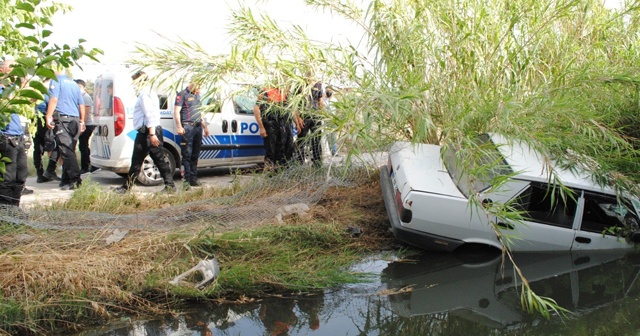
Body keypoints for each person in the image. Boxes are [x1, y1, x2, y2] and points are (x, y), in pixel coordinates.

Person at [114, 71, 176, 193]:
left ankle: (126, 188)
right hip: (150, 131)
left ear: (140, 81)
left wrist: (152, 134)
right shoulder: (149, 93)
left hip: (147, 132)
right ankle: (170, 185)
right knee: (158, 159)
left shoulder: (145, 95)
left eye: (135, 82)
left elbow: (149, 115)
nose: (134, 85)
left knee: (137, 160)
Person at [44, 67, 85, 190]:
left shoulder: (56, 81)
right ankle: (65, 179)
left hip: (63, 120)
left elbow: (54, 99)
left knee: (66, 150)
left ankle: (75, 180)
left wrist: (48, 116)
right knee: (69, 149)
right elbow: (81, 104)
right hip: (75, 120)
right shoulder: (73, 83)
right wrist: (82, 120)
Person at [0, 58, 29, 206]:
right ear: (2, 71)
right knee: (7, 178)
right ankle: (6, 213)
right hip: (5, 138)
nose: (15, 73)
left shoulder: (11, 90)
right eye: (12, 69)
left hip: (17, 137)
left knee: (21, 175)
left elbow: (30, 98)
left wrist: (24, 80)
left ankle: (14, 209)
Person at [253, 86, 302, 169]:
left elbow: (292, 109)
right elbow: (256, 109)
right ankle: (270, 174)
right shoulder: (266, 91)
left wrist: (297, 123)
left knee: (286, 150)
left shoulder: (286, 92)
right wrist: (261, 127)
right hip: (271, 124)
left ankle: (282, 173)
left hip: (285, 124)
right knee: (271, 151)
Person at [174, 81, 209, 187]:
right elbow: (176, 112)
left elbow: (200, 113)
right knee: (186, 155)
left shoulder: (197, 96)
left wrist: (205, 127)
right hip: (188, 127)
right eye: (199, 87)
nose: (200, 90)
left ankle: (194, 179)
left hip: (198, 127)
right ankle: (186, 180)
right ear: (194, 84)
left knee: (195, 154)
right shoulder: (182, 94)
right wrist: (179, 126)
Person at [33, 78, 60, 183]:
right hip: (45, 119)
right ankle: (50, 171)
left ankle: (40, 174)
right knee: (53, 145)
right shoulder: (47, 91)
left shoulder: (35, 90)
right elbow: (52, 104)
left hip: (35, 119)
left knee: (37, 148)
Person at [295, 78, 324, 165]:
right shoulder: (300, 84)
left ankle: (317, 162)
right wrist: (298, 118)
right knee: (301, 139)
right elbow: (295, 103)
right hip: (304, 116)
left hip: (315, 116)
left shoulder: (318, 85)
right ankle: (299, 162)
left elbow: (320, 101)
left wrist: (321, 115)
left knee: (317, 139)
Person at [75, 79, 96, 174]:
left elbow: (86, 113)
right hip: (84, 124)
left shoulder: (86, 98)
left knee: (83, 146)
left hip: (87, 124)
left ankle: (85, 166)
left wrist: (82, 124)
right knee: (83, 146)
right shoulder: (81, 97)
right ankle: (91, 164)